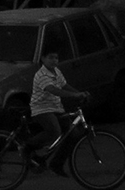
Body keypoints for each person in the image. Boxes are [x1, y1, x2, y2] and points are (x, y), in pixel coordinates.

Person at [25, 46, 89, 177]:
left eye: (56, 58)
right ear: (43, 59)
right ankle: (27, 147)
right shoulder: (41, 74)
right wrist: (73, 96)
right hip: (41, 108)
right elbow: (53, 89)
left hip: (56, 107)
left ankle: (56, 164)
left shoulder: (56, 71)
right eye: (50, 58)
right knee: (55, 131)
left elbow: (64, 85)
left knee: (73, 134)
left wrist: (80, 93)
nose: (54, 61)